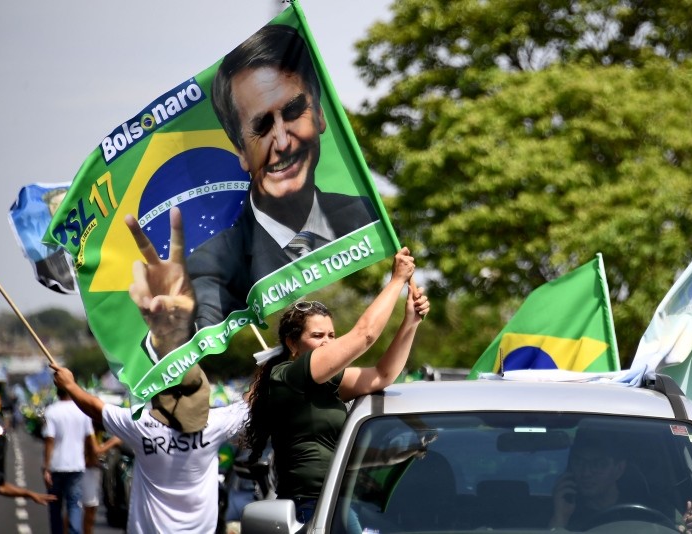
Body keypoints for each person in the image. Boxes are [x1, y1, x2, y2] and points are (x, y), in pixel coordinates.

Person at [182, 23, 378, 328]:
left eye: (293, 111)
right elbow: (198, 338)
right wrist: (169, 336)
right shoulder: (215, 264)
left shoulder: (367, 218)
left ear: (320, 115)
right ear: (241, 151)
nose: (283, 143)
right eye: (261, 127)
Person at [243, 248, 430, 524]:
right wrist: (396, 282)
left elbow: (382, 375)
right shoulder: (286, 377)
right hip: (310, 508)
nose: (328, 342)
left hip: (339, 502)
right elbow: (364, 335)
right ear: (292, 344)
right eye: (317, 336)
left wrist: (410, 323)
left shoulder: (327, 381)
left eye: (332, 334)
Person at [50, 363, 248, 534]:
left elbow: (96, 408)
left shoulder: (142, 424)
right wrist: (272, 361)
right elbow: (251, 402)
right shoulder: (215, 424)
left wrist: (69, 385)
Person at [550, 432, 692, 532]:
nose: (586, 472)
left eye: (598, 464)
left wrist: (686, 530)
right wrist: (559, 519)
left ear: (619, 468)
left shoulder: (657, 511)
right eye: (579, 462)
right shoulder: (562, 510)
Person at [42, 386, 96, 534]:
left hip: (56, 466)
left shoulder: (52, 411)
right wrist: (92, 458)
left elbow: (49, 440)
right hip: (76, 466)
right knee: (74, 505)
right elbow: (89, 439)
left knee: (55, 507)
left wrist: (46, 467)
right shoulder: (82, 411)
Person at [82, 432, 122, 534]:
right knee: (76, 510)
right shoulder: (89, 425)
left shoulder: (100, 430)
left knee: (90, 510)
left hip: (93, 471)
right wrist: (113, 442)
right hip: (84, 470)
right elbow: (96, 450)